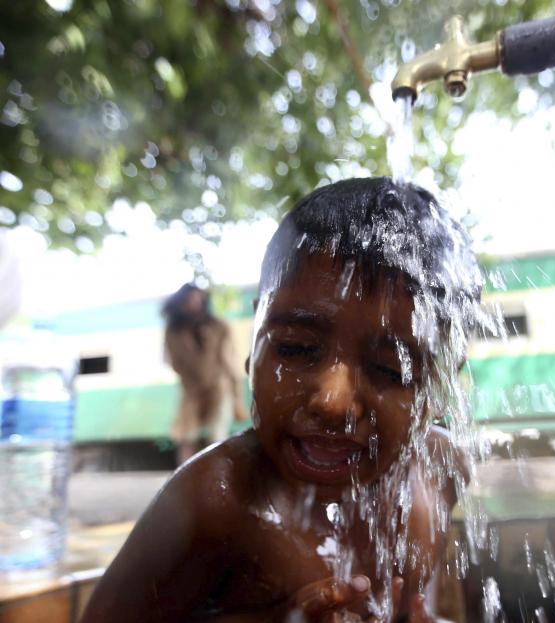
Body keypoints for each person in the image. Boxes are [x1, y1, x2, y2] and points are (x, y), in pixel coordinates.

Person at [81, 178, 482, 622]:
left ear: (443, 382)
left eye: (392, 370)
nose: (332, 401)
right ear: (256, 337)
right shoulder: (219, 500)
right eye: (294, 348)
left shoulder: (440, 469)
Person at [162, 283, 247, 465]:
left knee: (217, 436)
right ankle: (184, 475)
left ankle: (216, 474)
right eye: (189, 299)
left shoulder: (219, 326)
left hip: (220, 387)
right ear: (181, 302)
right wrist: (194, 383)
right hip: (191, 390)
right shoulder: (173, 331)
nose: (194, 303)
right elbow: (175, 362)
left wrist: (235, 393)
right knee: (186, 436)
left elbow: (229, 360)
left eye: (197, 299)